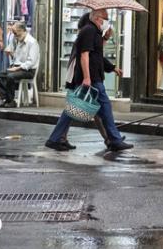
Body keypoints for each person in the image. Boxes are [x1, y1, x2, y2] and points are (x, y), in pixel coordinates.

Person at [46, 9, 133, 152]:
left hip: (93, 77)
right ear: (98, 18)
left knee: (73, 109)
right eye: (105, 18)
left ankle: (55, 138)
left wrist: (106, 42)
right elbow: (84, 55)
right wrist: (87, 77)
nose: (106, 21)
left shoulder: (94, 32)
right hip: (91, 78)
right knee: (105, 107)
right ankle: (114, 140)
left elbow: (96, 55)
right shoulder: (89, 31)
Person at [0, 22, 39, 108]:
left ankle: (10, 101)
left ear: (22, 31)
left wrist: (17, 68)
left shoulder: (32, 42)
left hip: (28, 70)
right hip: (17, 67)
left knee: (10, 76)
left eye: (15, 33)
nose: (14, 35)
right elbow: (16, 58)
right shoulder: (18, 40)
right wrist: (11, 54)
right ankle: (6, 99)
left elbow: (31, 62)